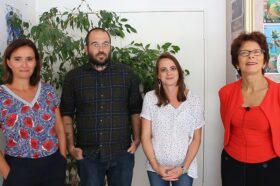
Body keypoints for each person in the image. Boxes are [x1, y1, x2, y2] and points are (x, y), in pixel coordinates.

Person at [60, 27, 143, 186]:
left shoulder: (128, 74)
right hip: (88, 156)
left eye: (105, 44)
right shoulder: (73, 78)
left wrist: (138, 138)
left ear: (110, 47)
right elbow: (67, 113)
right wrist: (70, 146)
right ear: (86, 48)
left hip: (122, 154)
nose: (101, 49)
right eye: (95, 44)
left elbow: (135, 110)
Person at [0, 38, 67, 186]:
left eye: (29, 59)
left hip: (53, 166)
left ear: (36, 62)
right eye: (18, 59)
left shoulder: (48, 91)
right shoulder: (1, 96)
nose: (24, 65)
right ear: (9, 62)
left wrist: (62, 159)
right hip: (18, 169)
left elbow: (60, 128)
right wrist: (8, 173)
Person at [219, 31, 280, 186]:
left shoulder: (278, 93)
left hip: (270, 168)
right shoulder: (225, 93)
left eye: (256, 52)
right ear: (237, 63)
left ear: (265, 61)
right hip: (232, 165)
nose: (251, 56)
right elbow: (227, 124)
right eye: (244, 53)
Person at [141, 53, 204, 186]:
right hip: (156, 167)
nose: (168, 73)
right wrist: (156, 166)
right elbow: (145, 136)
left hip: (185, 167)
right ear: (158, 75)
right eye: (163, 70)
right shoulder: (150, 98)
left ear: (179, 72)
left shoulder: (193, 99)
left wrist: (183, 168)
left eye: (173, 68)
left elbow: (197, 138)